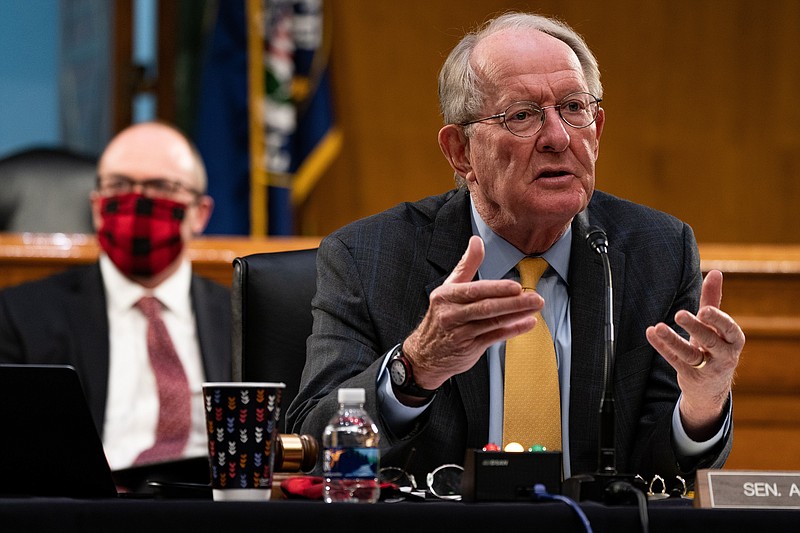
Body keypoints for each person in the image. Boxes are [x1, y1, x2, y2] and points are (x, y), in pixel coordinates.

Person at [287, 12, 744, 489]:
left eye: (573, 108)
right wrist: (415, 366)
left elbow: (661, 476)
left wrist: (702, 407)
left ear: (598, 129)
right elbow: (314, 450)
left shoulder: (659, 252)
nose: (558, 137)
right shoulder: (369, 257)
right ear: (460, 152)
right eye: (522, 116)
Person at [0, 122, 231, 477]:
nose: (138, 199)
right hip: (92, 514)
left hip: (218, 508)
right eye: (119, 185)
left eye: (161, 186)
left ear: (200, 213)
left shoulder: (243, 318)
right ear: (96, 207)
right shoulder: (20, 315)